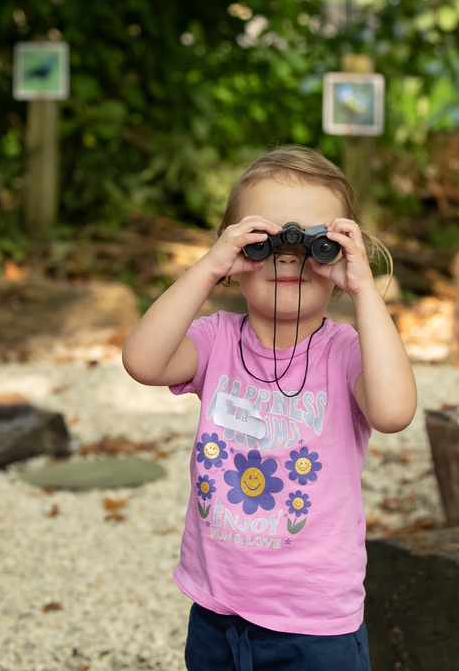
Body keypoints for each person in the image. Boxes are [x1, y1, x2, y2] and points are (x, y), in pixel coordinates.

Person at [122, 145, 417, 670]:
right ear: (236, 255)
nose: (289, 254)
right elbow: (143, 361)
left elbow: (393, 413)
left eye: (315, 242)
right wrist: (209, 268)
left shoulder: (345, 352)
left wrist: (365, 290)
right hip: (217, 609)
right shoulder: (214, 341)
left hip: (313, 624)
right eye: (265, 239)